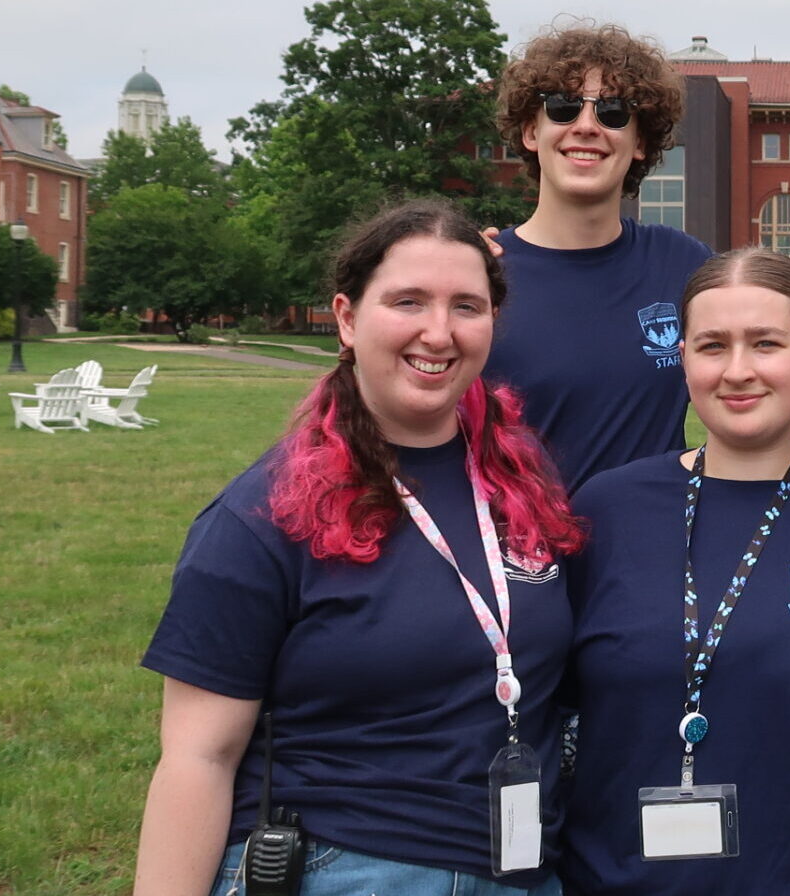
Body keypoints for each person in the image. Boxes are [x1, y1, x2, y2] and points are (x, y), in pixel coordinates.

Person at [134, 199, 586, 896]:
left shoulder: (523, 485)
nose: (439, 332)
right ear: (347, 319)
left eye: (467, 306)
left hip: (524, 871)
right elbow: (199, 758)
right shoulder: (263, 514)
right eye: (408, 302)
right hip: (345, 866)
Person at [555, 248, 790, 895]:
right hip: (615, 883)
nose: (738, 371)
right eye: (712, 346)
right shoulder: (607, 510)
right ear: (683, 357)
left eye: (766, 343)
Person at [487, 21, 712, 487]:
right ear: (531, 131)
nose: (587, 126)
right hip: (521, 534)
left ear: (640, 143)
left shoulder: (684, 264)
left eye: (612, 112)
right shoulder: (480, 273)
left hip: (652, 534)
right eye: (563, 107)